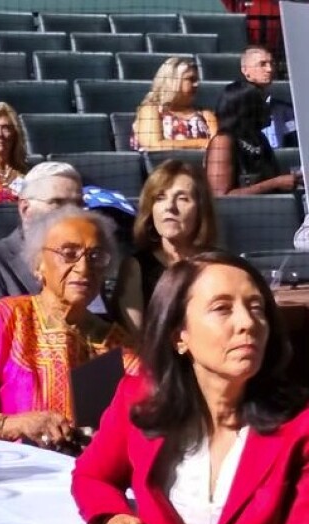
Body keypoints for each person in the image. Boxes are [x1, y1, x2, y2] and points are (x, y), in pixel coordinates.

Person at [73, 251, 309, 524]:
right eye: (222, 308)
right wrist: (113, 517)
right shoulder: (140, 398)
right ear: (179, 335)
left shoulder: (299, 427)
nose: (248, 322)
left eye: (257, 308)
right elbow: (92, 475)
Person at [0, 206, 139, 447]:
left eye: (96, 257)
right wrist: (15, 424)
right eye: (68, 253)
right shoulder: (7, 319)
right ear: (39, 265)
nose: (83, 268)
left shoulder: (119, 345)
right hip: (14, 474)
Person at [0, 161, 84, 325]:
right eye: (58, 203)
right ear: (25, 208)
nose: (71, 214)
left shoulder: (86, 259)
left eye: (78, 205)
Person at [113, 160, 218, 336]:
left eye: (183, 198)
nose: (170, 207)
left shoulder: (220, 267)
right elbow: (138, 344)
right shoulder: (135, 269)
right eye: (160, 198)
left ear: (201, 209)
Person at [205, 79, 298, 196]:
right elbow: (220, 196)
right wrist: (275, 183)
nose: (268, 108)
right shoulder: (222, 142)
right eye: (261, 103)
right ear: (246, 109)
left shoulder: (259, 138)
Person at [132, 57, 217, 151]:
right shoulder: (151, 110)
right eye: (191, 79)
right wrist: (201, 142)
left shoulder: (206, 115)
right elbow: (154, 145)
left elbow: (218, 146)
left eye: (196, 80)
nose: (196, 84)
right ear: (172, 81)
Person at [241, 45, 297, 149]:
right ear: (245, 71)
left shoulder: (286, 110)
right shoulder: (235, 109)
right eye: (262, 64)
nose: (270, 69)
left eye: (272, 63)